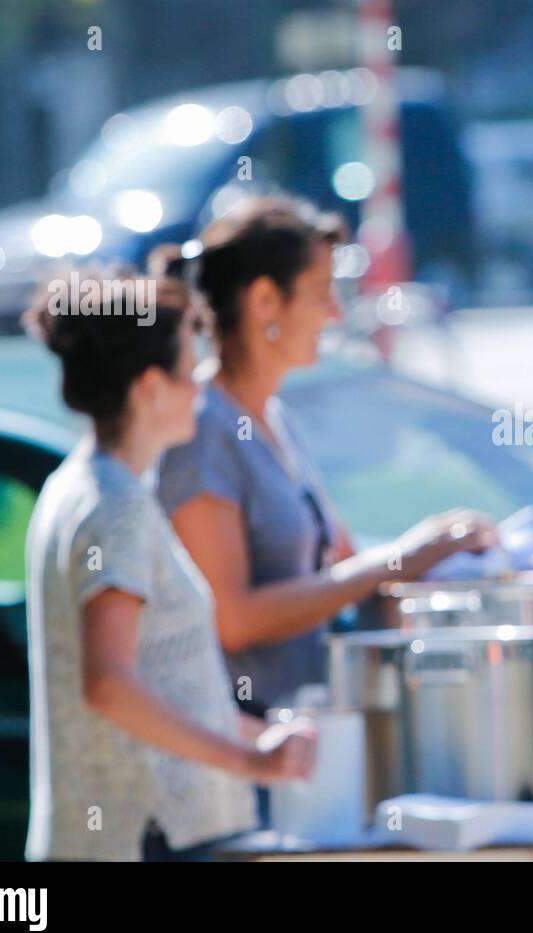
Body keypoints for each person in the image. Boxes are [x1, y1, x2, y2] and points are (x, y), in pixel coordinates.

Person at [157, 195, 495, 718]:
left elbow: (339, 566)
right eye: (321, 293)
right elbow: (233, 618)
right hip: (251, 751)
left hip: (305, 736)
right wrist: (405, 555)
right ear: (265, 300)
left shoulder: (272, 416)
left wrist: (438, 549)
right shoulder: (203, 429)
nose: (335, 313)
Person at [23, 267, 316, 862]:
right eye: (189, 373)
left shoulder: (87, 487)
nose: (201, 391)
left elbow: (165, 687)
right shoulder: (117, 506)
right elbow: (108, 684)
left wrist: (261, 741)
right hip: (144, 841)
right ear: (150, 387)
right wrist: (248, 760)